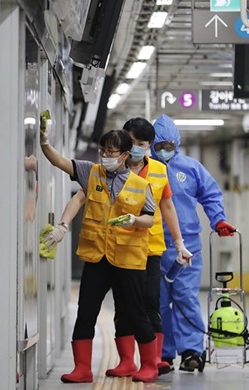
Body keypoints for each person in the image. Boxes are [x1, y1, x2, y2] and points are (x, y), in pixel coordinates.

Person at [44, 117, 192, 378]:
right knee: (86, 310)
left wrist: (137, 221)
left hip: (130, 258)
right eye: (103, 151)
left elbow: (153, 215)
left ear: (124, 155)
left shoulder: (142, 184)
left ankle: (149, 364)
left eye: (111, 152)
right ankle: (82, 368)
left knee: (138, 311)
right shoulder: (93, 173)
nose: (105, 156)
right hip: (98, 256)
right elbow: (60, 162)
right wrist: (44, 140)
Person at [150, 114, 237, 372]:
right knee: (158, 302)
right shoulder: (145, 169)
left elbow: (210, 195)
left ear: (176, 144)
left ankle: (191, 351)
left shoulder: (190, 168)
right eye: (159, 146)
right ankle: (163, 353)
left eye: (169, 146)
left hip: (186, 246)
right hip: (153, 245)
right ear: (152, 145)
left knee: (186, 297)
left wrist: (218, 220)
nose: (164, 151)